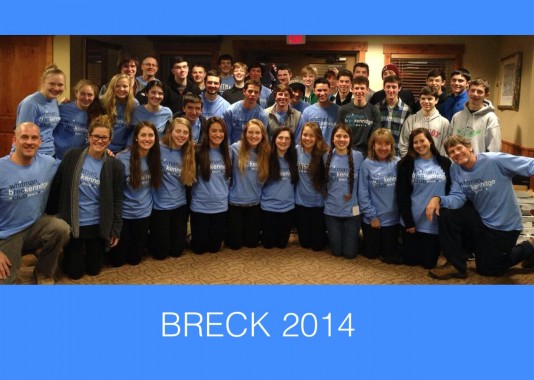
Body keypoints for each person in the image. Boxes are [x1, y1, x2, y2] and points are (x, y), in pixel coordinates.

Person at [426, 135, 534, 279]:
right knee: (447, 213)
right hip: (482, 220)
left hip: (505, 226)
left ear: (470, 147)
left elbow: (530, 165)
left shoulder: (494, 160)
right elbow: (457, 198)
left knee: (489, 269)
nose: (456, 153)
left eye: (459, 148)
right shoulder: (455, 168)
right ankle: (456, 265)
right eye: (451, 152)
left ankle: (529, 247)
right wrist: (438, 199)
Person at [47, 115, 124, 279]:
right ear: (89, 137)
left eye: (104, 137)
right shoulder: (71, 156)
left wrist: (115, 229)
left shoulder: (115, 165)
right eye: (96, 136)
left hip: (97, 224)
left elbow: (118, 199)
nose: (99, 140)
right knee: (75, 273)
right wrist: (51, 216)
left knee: (94, 269)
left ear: (109, 141)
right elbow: (57, 186)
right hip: (74, 222)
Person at [0, 122, 70, 284]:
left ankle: (43, 272)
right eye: (24, 137)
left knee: (61, 228)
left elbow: (73, 163)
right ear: (14, 140)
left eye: (34, 138)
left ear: (40, 142)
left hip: (36, 225)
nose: (29, 142)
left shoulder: (48, 163)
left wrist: (104, 153)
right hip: (7, 234)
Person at [396, 128, 451, 269]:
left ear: (430, 141)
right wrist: (408, 222)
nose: (419, 145)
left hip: (434, 222)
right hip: (412, 220)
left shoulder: (445, 163)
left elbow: (451, 192)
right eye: (415, 142)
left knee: (429, 264)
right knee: (411, 261)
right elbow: (402, 195)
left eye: (422, 140)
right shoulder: (406, 164)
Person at [109, 121, 161, 267]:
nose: (147, 138)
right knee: (117, 261)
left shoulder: (155, 156)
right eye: (143, 135)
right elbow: (114, 192)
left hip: (143, 214)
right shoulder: (122, 158)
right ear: (136, 138)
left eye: (151, 135)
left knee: (135, 260)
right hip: (124, 215)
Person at [148, 117, 195, 260]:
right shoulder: (157, 148)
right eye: (178, 131)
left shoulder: (189, 152)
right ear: (170, 131)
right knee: (160, 254)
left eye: (185, 132)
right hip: (159, 207)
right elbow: (136, 152)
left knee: (177, 251)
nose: (181, 135)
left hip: (179, 206)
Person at [358, 128, 402, 263]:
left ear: (391, 146)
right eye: (379, 144)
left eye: (387, 144)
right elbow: (362, 193)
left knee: (389, 256)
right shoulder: (366, 164)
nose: (383, 148)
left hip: (393, 220)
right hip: (373, 218)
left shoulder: (397, 163)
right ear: (373, 145)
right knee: (371, 254)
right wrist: (372, 216)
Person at [226, 119, 270, 250]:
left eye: (257, 133)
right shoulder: (235, 149)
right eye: (250, 132)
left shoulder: (266, 152)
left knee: (251, 243)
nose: (254, 136)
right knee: (235, 245)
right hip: (235, 203)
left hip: (255, 204)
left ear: (262, 135)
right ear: (245, 134)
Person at [189, 117, 232, 254]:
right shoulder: (197, 151)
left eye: (221, 131)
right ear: (207, 132)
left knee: (214, 248)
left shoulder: (229, 152)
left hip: (220, 206)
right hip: (200, 206)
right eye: (213, 131)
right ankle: (191, 236)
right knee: (199, 250)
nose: (218, 134)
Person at [324, 124, 364, 259]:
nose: (341, 139)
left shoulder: (358, 157)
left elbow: (363, 186)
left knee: (349, 254)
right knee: (336, 252)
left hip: (352, 212)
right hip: (331, 211)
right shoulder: (326, 156)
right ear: (332, 138)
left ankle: (355, 237)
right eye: (338, 136)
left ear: (350, 139)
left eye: (345, 136)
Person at [261, 127, 299, 249]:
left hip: (287, 209)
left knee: (282, 245)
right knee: (268, 245)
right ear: (274, 139)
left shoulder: (294, 158)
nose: (283, 141)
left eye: (287, 138)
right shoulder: (266, 158)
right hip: (268, 208)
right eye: (280, 138)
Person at [16, 64, 65, 156]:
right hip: (32, 154)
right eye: (52, 84)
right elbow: (21, 136)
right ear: (43, 83)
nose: (56, 88)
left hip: (50, 153)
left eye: (60, 85)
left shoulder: (54, 101)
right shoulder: (30, 103)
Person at [295, 122, 329, 251]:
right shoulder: (296, 150)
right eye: (305, 135)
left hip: (318, 204)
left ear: (317, 138)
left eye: (312, 136)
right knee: (304, 243)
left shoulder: (324, 153)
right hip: (300, 203)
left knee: (317, 246)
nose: (307, 138)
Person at [450, 78, 501, 153]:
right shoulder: (457, 117)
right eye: (472, 90)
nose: (475, 94)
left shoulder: (491, 118)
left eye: (479, 92)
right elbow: (450, 142)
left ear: (486, 95)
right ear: (467, 92)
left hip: (479, 163)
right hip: (456, 162)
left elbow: (494, 148)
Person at [53, 79, 100, 160]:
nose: (86, 98)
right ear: (76, 93)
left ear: (94, 96)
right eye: (82, 94)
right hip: (57, 158)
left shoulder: (97, 116)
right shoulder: (62, 108)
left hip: (78, 161)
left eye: (90, 95)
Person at [398, 86, 451, 157]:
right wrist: (410, 162)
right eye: (423, 98)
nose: (426, 101)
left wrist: (439, 163)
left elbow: (445, 148)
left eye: (429, 99)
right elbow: (403, 144)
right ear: (419, 100)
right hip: (414, 164)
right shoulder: (410, 120)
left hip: (435, 165)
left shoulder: (444, 122)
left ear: (436, 100)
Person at [337, 76, 381, 157]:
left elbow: (374, 137)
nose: (359, 91)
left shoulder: (375, 111)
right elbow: (340, 135)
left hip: (367, 155)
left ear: (367, 90)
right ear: (352, 89)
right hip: (347, 153)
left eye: (362, 88)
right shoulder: (343, 110)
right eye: (356, 88)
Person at [100, 73, 138, 153]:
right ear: (112, 87)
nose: (121, 89)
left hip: (123, 150)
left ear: (130, 88)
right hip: (102, 147)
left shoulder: (134, 104)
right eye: (117, 86)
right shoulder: (103, 101)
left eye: (125, 86)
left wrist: (127, 149)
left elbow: (133, 130)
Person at [223, 79, 268, 144]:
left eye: (256, 92)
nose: (253, 94)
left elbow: (262, 139)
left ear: (259, 94)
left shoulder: (262, 115)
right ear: (244, 91)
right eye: (250, 91)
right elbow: (227, 137)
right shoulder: (230, 111)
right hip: (234, 150)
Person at [296, 78, 339, 145]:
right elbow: (302, 135)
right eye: (319, 90)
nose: (322, 93)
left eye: (325, 90)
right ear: (314, 91)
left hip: (332, 152)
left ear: (330, 91)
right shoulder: (307, 112)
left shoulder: (338, 110)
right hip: (313, 151)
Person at [376, 75, 412, 156]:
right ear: (384, 88)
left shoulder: (407, 111)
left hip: (397, 156)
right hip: (379, 155)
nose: (391, 90)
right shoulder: (376, 108)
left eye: (394, 87)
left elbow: (407, 137)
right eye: (388, 87)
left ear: (399, 88)